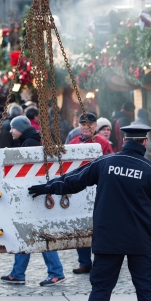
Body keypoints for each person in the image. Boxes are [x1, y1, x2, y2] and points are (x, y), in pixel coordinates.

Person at [27, 125, 151, 301]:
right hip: (140, 238)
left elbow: (74, 180)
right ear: (144, 142)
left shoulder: (106, 162)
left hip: (108, 237)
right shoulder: (150, 169)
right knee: (145, 290)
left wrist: (47, 187)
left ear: (124, 140)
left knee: (101, 289)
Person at [1, 116, 67, 286]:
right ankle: (18, 273)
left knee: (40, 233)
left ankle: (56, 272)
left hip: (34, 196)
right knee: (26, 234)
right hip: (33, 196)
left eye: (13, 128)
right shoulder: (28, 140)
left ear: (21, 128)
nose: (10, 131)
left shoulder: (29, 142)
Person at [68, 112, 113, 274]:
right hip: (78, 190)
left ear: (95, 126)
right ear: (79, 126)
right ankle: (84, 262)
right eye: (83, 124)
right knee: (80, 225)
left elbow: (109, 164)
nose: (86, 127)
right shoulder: (73, 142)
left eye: (89, 125)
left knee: (99, 227)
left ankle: (101, 262)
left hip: (97, 189)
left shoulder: (103, 143)